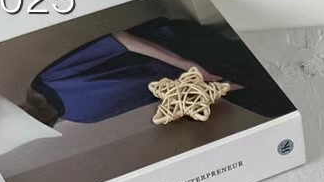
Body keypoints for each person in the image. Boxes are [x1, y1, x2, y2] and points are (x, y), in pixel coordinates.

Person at [20, 16, 293, 126]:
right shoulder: (82, 117)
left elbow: (122, 40)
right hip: (192, 78)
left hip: (173, 44)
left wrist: (187, 65)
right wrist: (211, 89)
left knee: (258, 74)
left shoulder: (48, 81)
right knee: (272, 106)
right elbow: (156, 93)